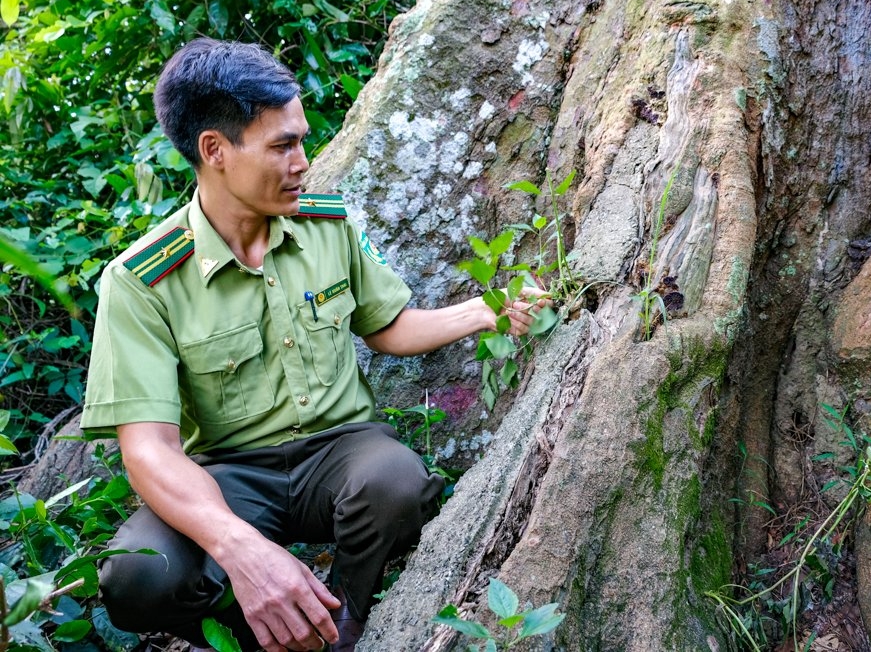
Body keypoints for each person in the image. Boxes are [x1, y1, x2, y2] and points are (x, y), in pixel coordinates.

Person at [80, 38, 547, 652]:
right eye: (282, 145)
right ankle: (256, 628)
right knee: (138, 577)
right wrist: (240, 549)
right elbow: (151, 452)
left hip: (341, 453)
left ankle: (344, 619)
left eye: (301, 140)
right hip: (230, 475)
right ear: (214, 150)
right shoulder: (142, 280)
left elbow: (388, 325)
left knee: (396, 483)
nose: (303, 162)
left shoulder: (327, 225)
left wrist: (484, 311)